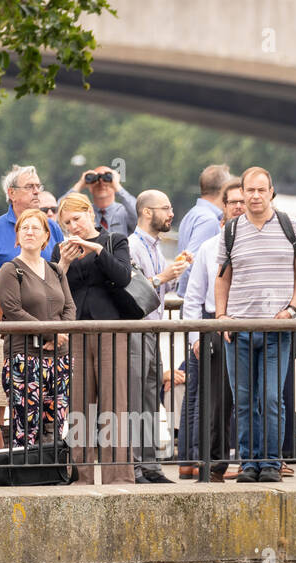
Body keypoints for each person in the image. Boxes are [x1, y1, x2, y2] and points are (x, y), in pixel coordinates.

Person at [215, 166, 296, 482]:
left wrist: (292, 308)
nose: (255, 196)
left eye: (261, 190)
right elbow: (222, 278)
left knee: (270, 398)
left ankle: (270, 461)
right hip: (239, 328)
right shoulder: (230, 230)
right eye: (249, 190)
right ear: (242, 193)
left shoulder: (289, 224)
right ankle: (248, 462)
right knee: (243, 401)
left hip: (276, 329)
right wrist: (221, 316)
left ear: (271, 192)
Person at [0, 165, 65, 452]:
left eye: (39, 185)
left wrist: (58, 329)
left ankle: (44, 461)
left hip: (50, 334)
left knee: (46, 400)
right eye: (30, 186)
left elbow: (62, 278)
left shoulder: (53, 229)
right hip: (3, 328)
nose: (38, 190)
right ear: (11, 194)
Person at [52, 191, 132, 484]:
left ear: (90, 213)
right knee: (78, 405)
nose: (74, 226)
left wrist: (96, 250)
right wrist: (63, 264)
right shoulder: (62, 250)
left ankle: (119, 476)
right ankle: (79, 475)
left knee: (115, 403)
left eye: (77, 218)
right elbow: (54, 291)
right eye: (67, 222)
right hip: (75, 332)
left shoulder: (114, 240)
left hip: (111, 328)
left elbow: (124, 276)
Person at [180, 178, 246, 482]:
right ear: (225, 207)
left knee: (252, 398)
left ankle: (253, 461)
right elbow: (192, 297)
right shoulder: (209, 247)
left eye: (244, 201)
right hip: (215, 326)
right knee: (216, 402)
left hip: (251, 322)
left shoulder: (259, 241)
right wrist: (196, 335)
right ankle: (213, 465)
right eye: (233, 201)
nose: (239, 206)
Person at [0, 209, 74, 448]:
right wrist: (51, 332)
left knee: (55, 424)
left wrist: (63, 332)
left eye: (35, 228)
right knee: (26, 425)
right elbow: (13, 310)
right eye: (24, 228)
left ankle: (51, 473)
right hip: (24, 357)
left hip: (58, 359)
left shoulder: (56, 270)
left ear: (46, 237)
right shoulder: (10, 270)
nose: (29, 232)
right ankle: (25, 476)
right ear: (17, 236)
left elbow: (69, 307)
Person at [128, 189, 188, 483]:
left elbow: (158, 287)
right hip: (137, 331)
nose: (171, 213)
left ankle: (151, 465)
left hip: (152, 329)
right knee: (137, 399)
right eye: (165, 208)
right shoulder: (131, 246)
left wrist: (172, 273)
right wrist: (164, 277)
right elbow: (134, 288)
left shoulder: (154, 247)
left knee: (153, 399)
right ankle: (136, 466)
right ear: (147, 212)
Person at [175, 163, 231, 294]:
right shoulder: (209, 220)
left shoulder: (193, 213)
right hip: (200, 305)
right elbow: (191, 264)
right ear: (223, 189)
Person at [64, 165, 136, 236]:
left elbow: (139, 214)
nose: (101, 183)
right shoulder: (85, 214)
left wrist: (117, 186)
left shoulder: (124, 212)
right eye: (96, 179)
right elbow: (59, 213)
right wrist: (80, 184)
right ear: (89, 187)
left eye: (106, 178)